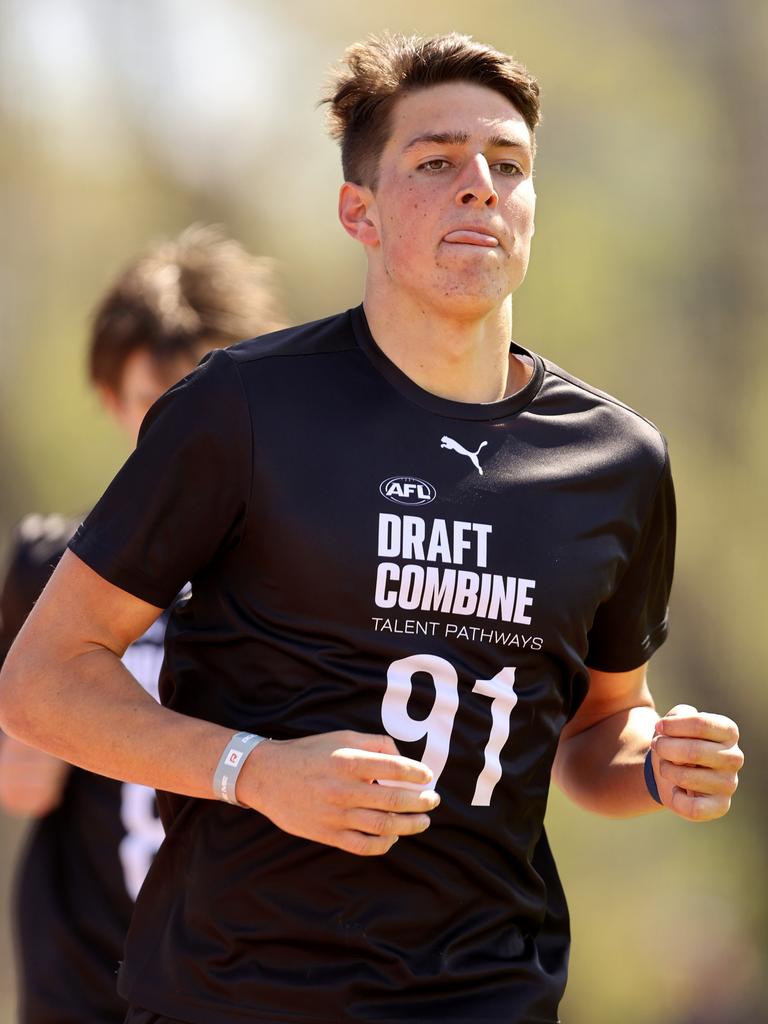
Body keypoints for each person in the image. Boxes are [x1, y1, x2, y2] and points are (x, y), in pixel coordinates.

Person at [0, 33, 744, 1024]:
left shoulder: (619, 460)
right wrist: (256, 770)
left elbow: (600, 728)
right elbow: (41, 680)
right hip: (235, 995)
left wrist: (657, 761)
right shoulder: (243, 409)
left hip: (490, 996)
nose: (480, 184)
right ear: (361, 210)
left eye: (508, 164)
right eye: (436, 161)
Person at [0, 224, 283, 1024]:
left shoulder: (290, 582)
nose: (185, 446)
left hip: (236, 985)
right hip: (84, 983)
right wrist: (57, 682)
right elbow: (18, 785)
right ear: (112, 403)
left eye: (209, 412)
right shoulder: (50, 568)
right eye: (160, 412)